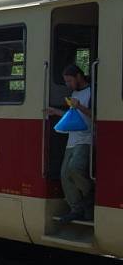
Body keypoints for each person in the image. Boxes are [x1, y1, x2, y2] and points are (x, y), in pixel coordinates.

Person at [47, 64, 94, 222]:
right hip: (72, 139)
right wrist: (56, 112)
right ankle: (76, 208)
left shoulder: (91, 92)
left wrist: (79, 105)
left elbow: (96, 115)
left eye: (69, 81)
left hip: (86, 139)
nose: (67, 84)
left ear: (79, 77)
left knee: (75, 169)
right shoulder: (74, 93)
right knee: (64, 175)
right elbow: (73, 115)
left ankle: (90, 196)